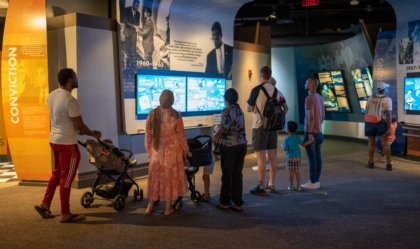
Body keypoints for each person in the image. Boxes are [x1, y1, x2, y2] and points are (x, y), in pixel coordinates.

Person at [34, 68, 102, 223]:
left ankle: (45, 203)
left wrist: (79, 130)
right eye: (75, 77)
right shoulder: (71, 101)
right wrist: (94, 134)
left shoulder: (51, 95)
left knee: (56, 173)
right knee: (67, 178)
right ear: (70, 81)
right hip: (67, 144)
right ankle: (65, 213)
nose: (77, 80)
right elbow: (80, 125)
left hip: (54, 140)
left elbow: (63, 119)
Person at [144, 90, 189, 215]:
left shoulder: (152, 114)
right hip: (172, 151)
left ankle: (150, 206)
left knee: (155, 178)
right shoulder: (175, 115)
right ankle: (168, 208)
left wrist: (150, 150)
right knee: (170, 178)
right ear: (172, 100)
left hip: (157, 150)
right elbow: (181, 136)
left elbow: (148, 135)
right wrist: (186, 150)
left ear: (160, 99)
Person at [247, 67, 288, 195]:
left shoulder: (256, 90)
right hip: (273, 128)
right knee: (272, 156)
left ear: (260, 75)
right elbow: (285, 108)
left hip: (260, 126)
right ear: (270, 76)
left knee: (261, 157)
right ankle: (272, 183)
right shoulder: (278, 91)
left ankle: (261, 185)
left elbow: (249, 108)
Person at [214, 88, 247, 211]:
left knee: (227, 174)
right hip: (242, 144)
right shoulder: (240, 110)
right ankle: (238, 203)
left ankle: (225, 202)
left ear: (226, 99)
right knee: (237, 174)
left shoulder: (226, 110)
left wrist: (215, 136)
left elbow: (224, 127)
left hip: (230, 145)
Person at [251, 76, 288, 172]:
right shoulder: (279, 93)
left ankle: (263, 175)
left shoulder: (258, 91)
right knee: (272, 152)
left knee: (261, 152)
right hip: (274, 126)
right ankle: (271, 178)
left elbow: (249, 108)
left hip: (261, 124)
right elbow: (286, 108)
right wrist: (279, 118)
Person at [301, 77, 325, 190]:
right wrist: (318, 127)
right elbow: (323, 116)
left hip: (311, 132)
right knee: (318, 156)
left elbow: (311, 117)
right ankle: (317, 181)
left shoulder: (309, 99)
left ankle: (312, 181)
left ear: (311, 84)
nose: (305, 84)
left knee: (312, 158)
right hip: (319, 132)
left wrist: (310, 132)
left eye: (306, 82)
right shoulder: (320, 98)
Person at [365, 81, 393, 171]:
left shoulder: (370, 98)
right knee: (385, 144)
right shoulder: (387, 99)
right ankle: (388, 164)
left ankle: (371, 162)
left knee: (371, 143)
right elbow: (388, 114)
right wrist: (389, 127)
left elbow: (366, 109)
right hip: (381, 122)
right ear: (384, 89)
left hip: (369, 121)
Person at [281, 121, 313, 191]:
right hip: (297, 157)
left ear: (288, 130)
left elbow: (286, 149)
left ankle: (291, 185)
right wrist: (311, 140)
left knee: (291, 172)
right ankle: (299, 186)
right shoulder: (297, 137)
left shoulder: (286, 139)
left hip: (289, 157)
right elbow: (303, 144)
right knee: (297, 171)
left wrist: (282, 145)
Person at [121, 0, 140, 68]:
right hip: (128, 32)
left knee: (134, 49)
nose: (137, 7)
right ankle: (128, 64)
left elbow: (137, 24)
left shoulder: (138, 13)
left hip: (134, 33)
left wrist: (138, 28)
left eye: (138, 6)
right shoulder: (126, 10)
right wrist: (134, 26)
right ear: (133, 5)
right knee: (128, 48)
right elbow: (126, 22)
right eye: (136, 6)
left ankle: (133, 64)